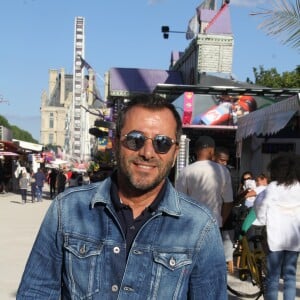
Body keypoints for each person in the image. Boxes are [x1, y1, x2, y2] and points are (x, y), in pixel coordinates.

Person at [17, 95, 227, 299]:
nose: (147, 152)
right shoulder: (68, 209)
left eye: (162, 143)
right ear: (116, 143)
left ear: (174, 153)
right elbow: (37, 291)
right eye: (135, 139)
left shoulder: (200, 227)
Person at [254, 153, 300, 300]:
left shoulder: (273, 186)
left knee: (272, 276)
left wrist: (262, 221)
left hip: (275, 236)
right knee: (290, 276)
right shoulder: (298, 186)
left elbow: (261, 205)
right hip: (294, 238)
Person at [175, 135, 233, 228]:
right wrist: (220, 222)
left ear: (196, 151)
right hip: (213, 224)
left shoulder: (186, 171)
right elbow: (228, 202)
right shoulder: (223, 171)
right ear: (212, 151)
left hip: (191, 224)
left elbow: (178, 201)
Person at [213, 146, 235, 273]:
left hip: (225, 218)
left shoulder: (228, 173)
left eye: (226, 161)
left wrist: (222, 220)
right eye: (222, 160)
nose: (224, 163)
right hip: (213, 216)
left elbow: (229, 200)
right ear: (214, 157)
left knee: (227, 251)